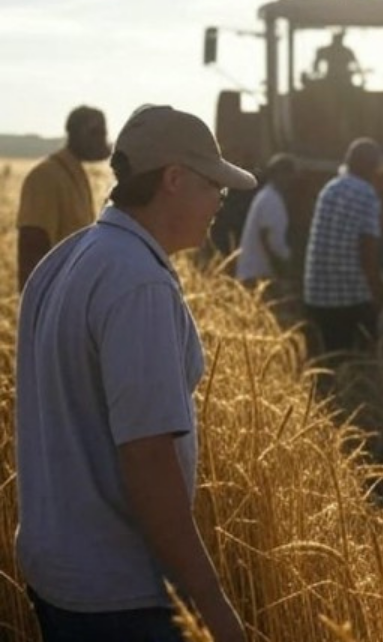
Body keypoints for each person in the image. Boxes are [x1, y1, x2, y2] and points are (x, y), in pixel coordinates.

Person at [15, 105, 254, 642]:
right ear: (174, 179)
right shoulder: (137, 282)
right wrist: (212, 604)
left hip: (60, 574)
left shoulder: (69, 257)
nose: (221, 201)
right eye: (214, 185)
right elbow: (148, 458)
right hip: (119, 594)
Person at [303, 138, 383, 355]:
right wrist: (379, 291)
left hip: (316, 294)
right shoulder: (366, 194)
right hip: (348, 298)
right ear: (371, 166)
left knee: (330, 361)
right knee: (363, 358)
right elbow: (367, 251)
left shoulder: (330, 188)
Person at [16, 105, 110, 291]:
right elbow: (31, 245)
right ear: (77, 134)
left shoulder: (76, 174)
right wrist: (35, 304)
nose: (103, 140)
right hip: (52, 300)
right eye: (97, 133)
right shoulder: (45, 176)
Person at [236, 153, 295, 285]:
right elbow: (267, 238)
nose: (290, 179)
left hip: (256, 272)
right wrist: (279, 269)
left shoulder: (268, 196)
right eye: (287, 174)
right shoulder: (270, 200)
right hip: (258, 274)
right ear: (277, 174)